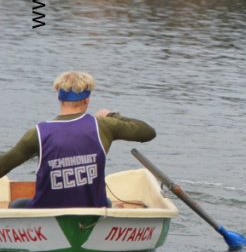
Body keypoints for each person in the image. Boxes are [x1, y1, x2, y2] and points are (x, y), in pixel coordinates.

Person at [0, 71, 156, 208]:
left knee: (16, 204)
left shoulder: (38, 133)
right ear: (86, 100)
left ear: (60, 99)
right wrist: (110, 115)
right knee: (107, 202)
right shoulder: (103, 125)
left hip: (46, 211)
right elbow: (148, 132)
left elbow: (4, 165)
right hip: (93, 210)